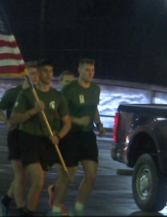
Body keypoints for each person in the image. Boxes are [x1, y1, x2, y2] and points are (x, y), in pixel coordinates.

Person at [10, 59, 71, 216]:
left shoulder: (57, 96)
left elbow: (67, 123)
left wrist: (59, 135)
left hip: (47, 141)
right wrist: (33, 111)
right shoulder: (27, 94)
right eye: (45, 71)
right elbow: (14, 118)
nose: (49, 74)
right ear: (38, 72)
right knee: (38, 180)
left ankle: (28, 210)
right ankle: (28, 213)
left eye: (51, 71)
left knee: (39, 182)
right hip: (28, 139)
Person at [49, 58, 104, 216]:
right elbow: (57, 113)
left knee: (91, 175)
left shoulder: (95, 89)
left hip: (87, 136)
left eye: (92, 70)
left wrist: (99, 124)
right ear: (79, 70)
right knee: (67, 176)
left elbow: (94, 108)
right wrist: (77, 120)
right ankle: (56, 208)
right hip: (70, 136)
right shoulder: (69, 89)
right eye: (87, 70)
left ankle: (79, 208)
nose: (90, 73)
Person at [0, 61, 39, 216]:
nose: (36, 76)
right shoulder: (14, 93)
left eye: (37, 73)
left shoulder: (39, 93)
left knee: (26, 175)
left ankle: (5, 201)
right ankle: (21, 210)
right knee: (21, 175)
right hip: (16, 136)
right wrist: (6, 121)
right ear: (25, 75)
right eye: (32, 73)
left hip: (33, 137)